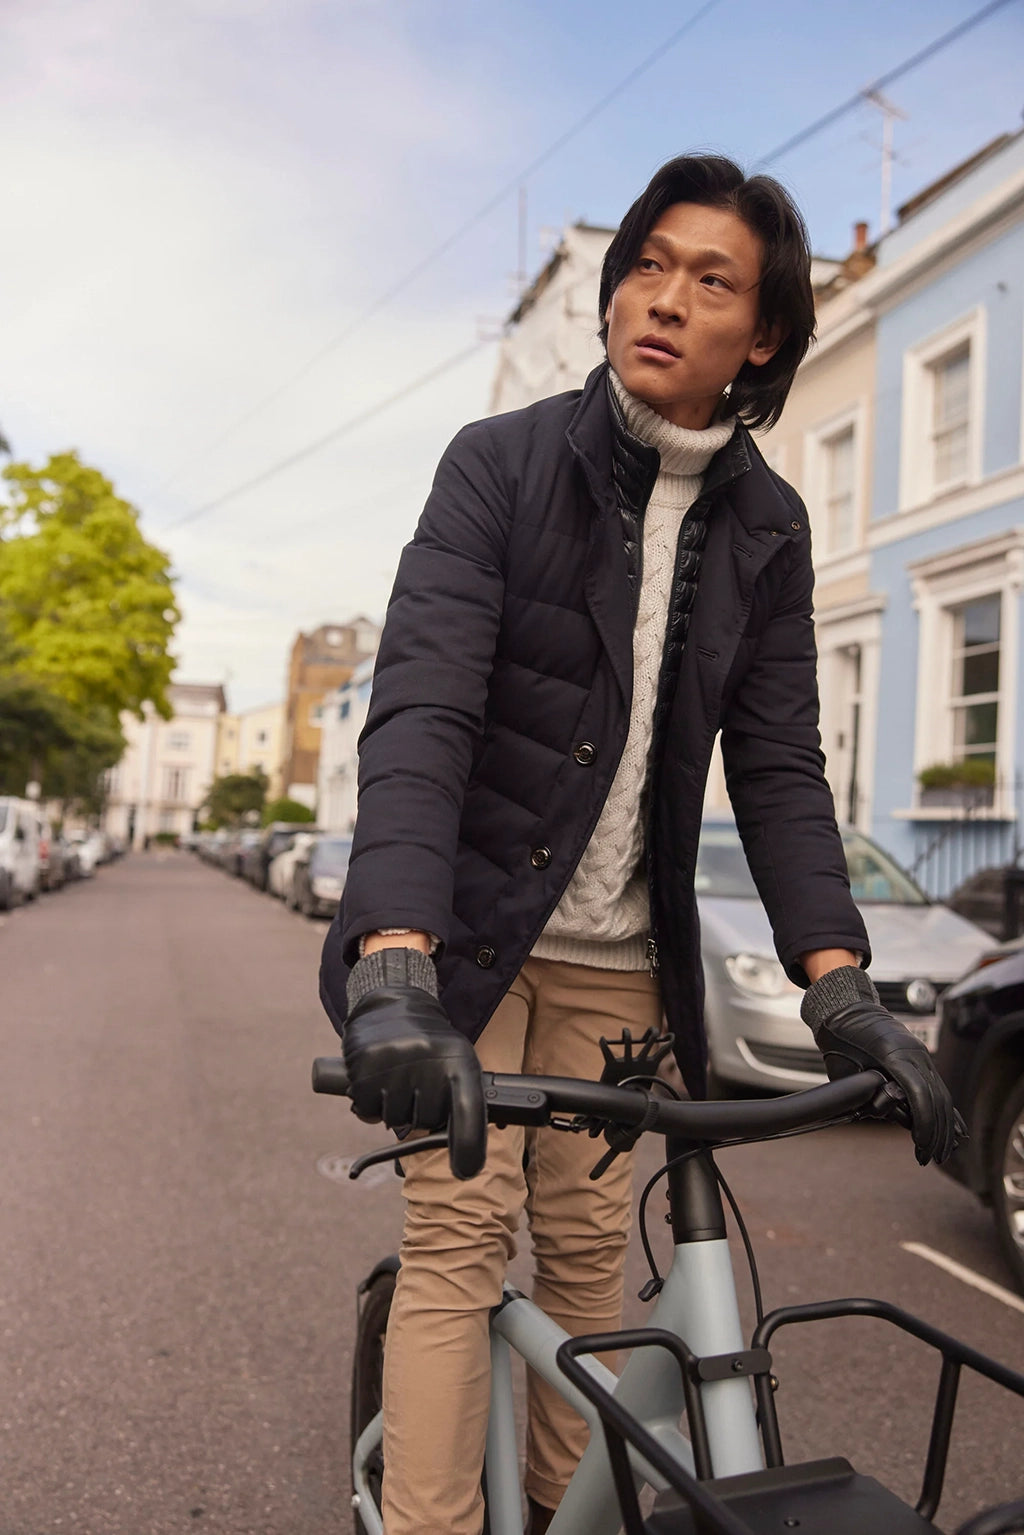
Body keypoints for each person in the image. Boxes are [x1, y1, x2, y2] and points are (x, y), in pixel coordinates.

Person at [319, 153, 960, 1535]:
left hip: (623, 967)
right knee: (456, 1245)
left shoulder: (772, 528)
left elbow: (783, 765)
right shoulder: (500, 465)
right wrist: (392, 965)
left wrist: (837, 982)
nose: (660, 298)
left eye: (709, 280)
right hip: (466, 950)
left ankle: (563, 1517)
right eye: (647, 264)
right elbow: (424, 709)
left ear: (766, 333)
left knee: (590, 1268)